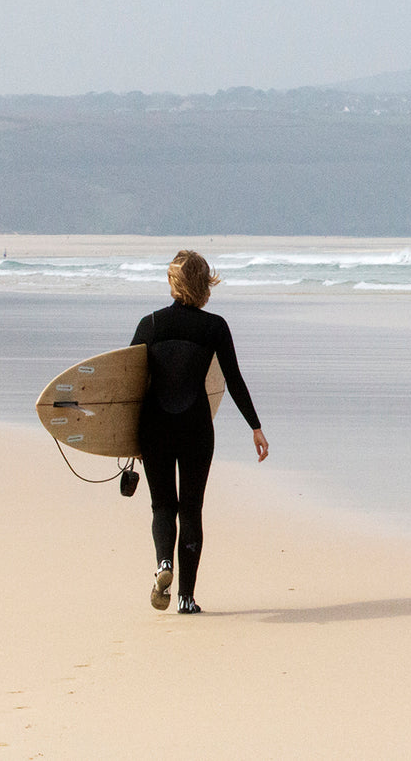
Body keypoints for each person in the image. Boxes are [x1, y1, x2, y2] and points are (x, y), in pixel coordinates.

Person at [130, 250, 268, 613]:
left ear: (173, 282)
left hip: (154, 426)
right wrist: (255, 426)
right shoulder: (214, 327)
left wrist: (126, 437)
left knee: (163, 505)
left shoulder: (150, 325)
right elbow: (233, 380)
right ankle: (187, 599)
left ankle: (164, 564)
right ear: (205, 284)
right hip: (195, 427)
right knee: (191, 509)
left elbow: (129, 386)